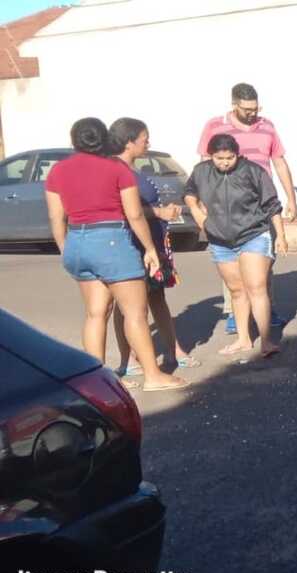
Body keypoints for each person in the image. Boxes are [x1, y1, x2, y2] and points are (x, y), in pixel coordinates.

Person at [45, 118, 187, 392]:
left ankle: (95, 381)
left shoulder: (57, 171)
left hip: (77, 238)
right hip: (111, 240)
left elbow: (55, 215)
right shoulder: (117, 169)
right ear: (104, 139)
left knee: (96, 314)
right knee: (135, 312)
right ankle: (153, 376)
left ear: (74, 140)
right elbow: (134, 214)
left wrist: (66, 247)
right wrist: (149, 248)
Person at [197, 83, 296, 334]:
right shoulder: (214, 126)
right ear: (234, 104)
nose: (252, 113)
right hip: (225, 206)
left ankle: (265, 308)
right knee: (230, 260)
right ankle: (234, 311)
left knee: (263, 258)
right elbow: (204, 165)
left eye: (255, 108)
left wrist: (291, 198)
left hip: (260, 203)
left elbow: (279, 162)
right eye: (246, 109)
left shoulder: (267, 126)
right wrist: (202, 205)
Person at [107, 117, 201, 380]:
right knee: (126, 304)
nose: (148, 141)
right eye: (144, 137)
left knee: (157, 297)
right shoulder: (115, 170)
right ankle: (129, 358)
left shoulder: (133, 168)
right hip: (133, 243)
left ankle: (174, 350)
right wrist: (159, 211)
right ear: (128, 141)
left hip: (152, 240)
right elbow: (125, 210)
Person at [184, 134, 287, 359]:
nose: (224, 163)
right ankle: (243, 339)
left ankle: (266, 339)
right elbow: (189, 192)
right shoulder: (201, 171)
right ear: (211, 156)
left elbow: (272, 204)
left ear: (238, 155)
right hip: (220, 239)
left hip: (254, 234)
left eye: (229, 158)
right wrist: (195, 210)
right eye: (219, 158)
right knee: (237, 291)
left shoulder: (253, 171)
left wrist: (280, 235)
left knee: (256, 287)